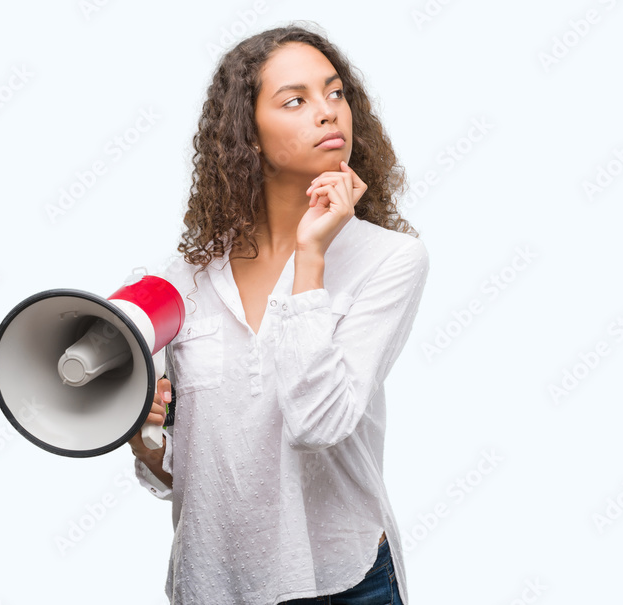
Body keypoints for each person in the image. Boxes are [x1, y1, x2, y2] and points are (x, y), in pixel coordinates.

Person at [128, 22, 428, 605]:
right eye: (296, 100)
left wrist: (310, 257)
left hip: (343, 581)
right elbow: (185, 472)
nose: (328, 112)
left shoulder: (390, 259)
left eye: (335, 93)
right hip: (214, 584)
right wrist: (145, 441)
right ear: (249, 136)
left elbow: (319, 425)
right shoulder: (181, 281)